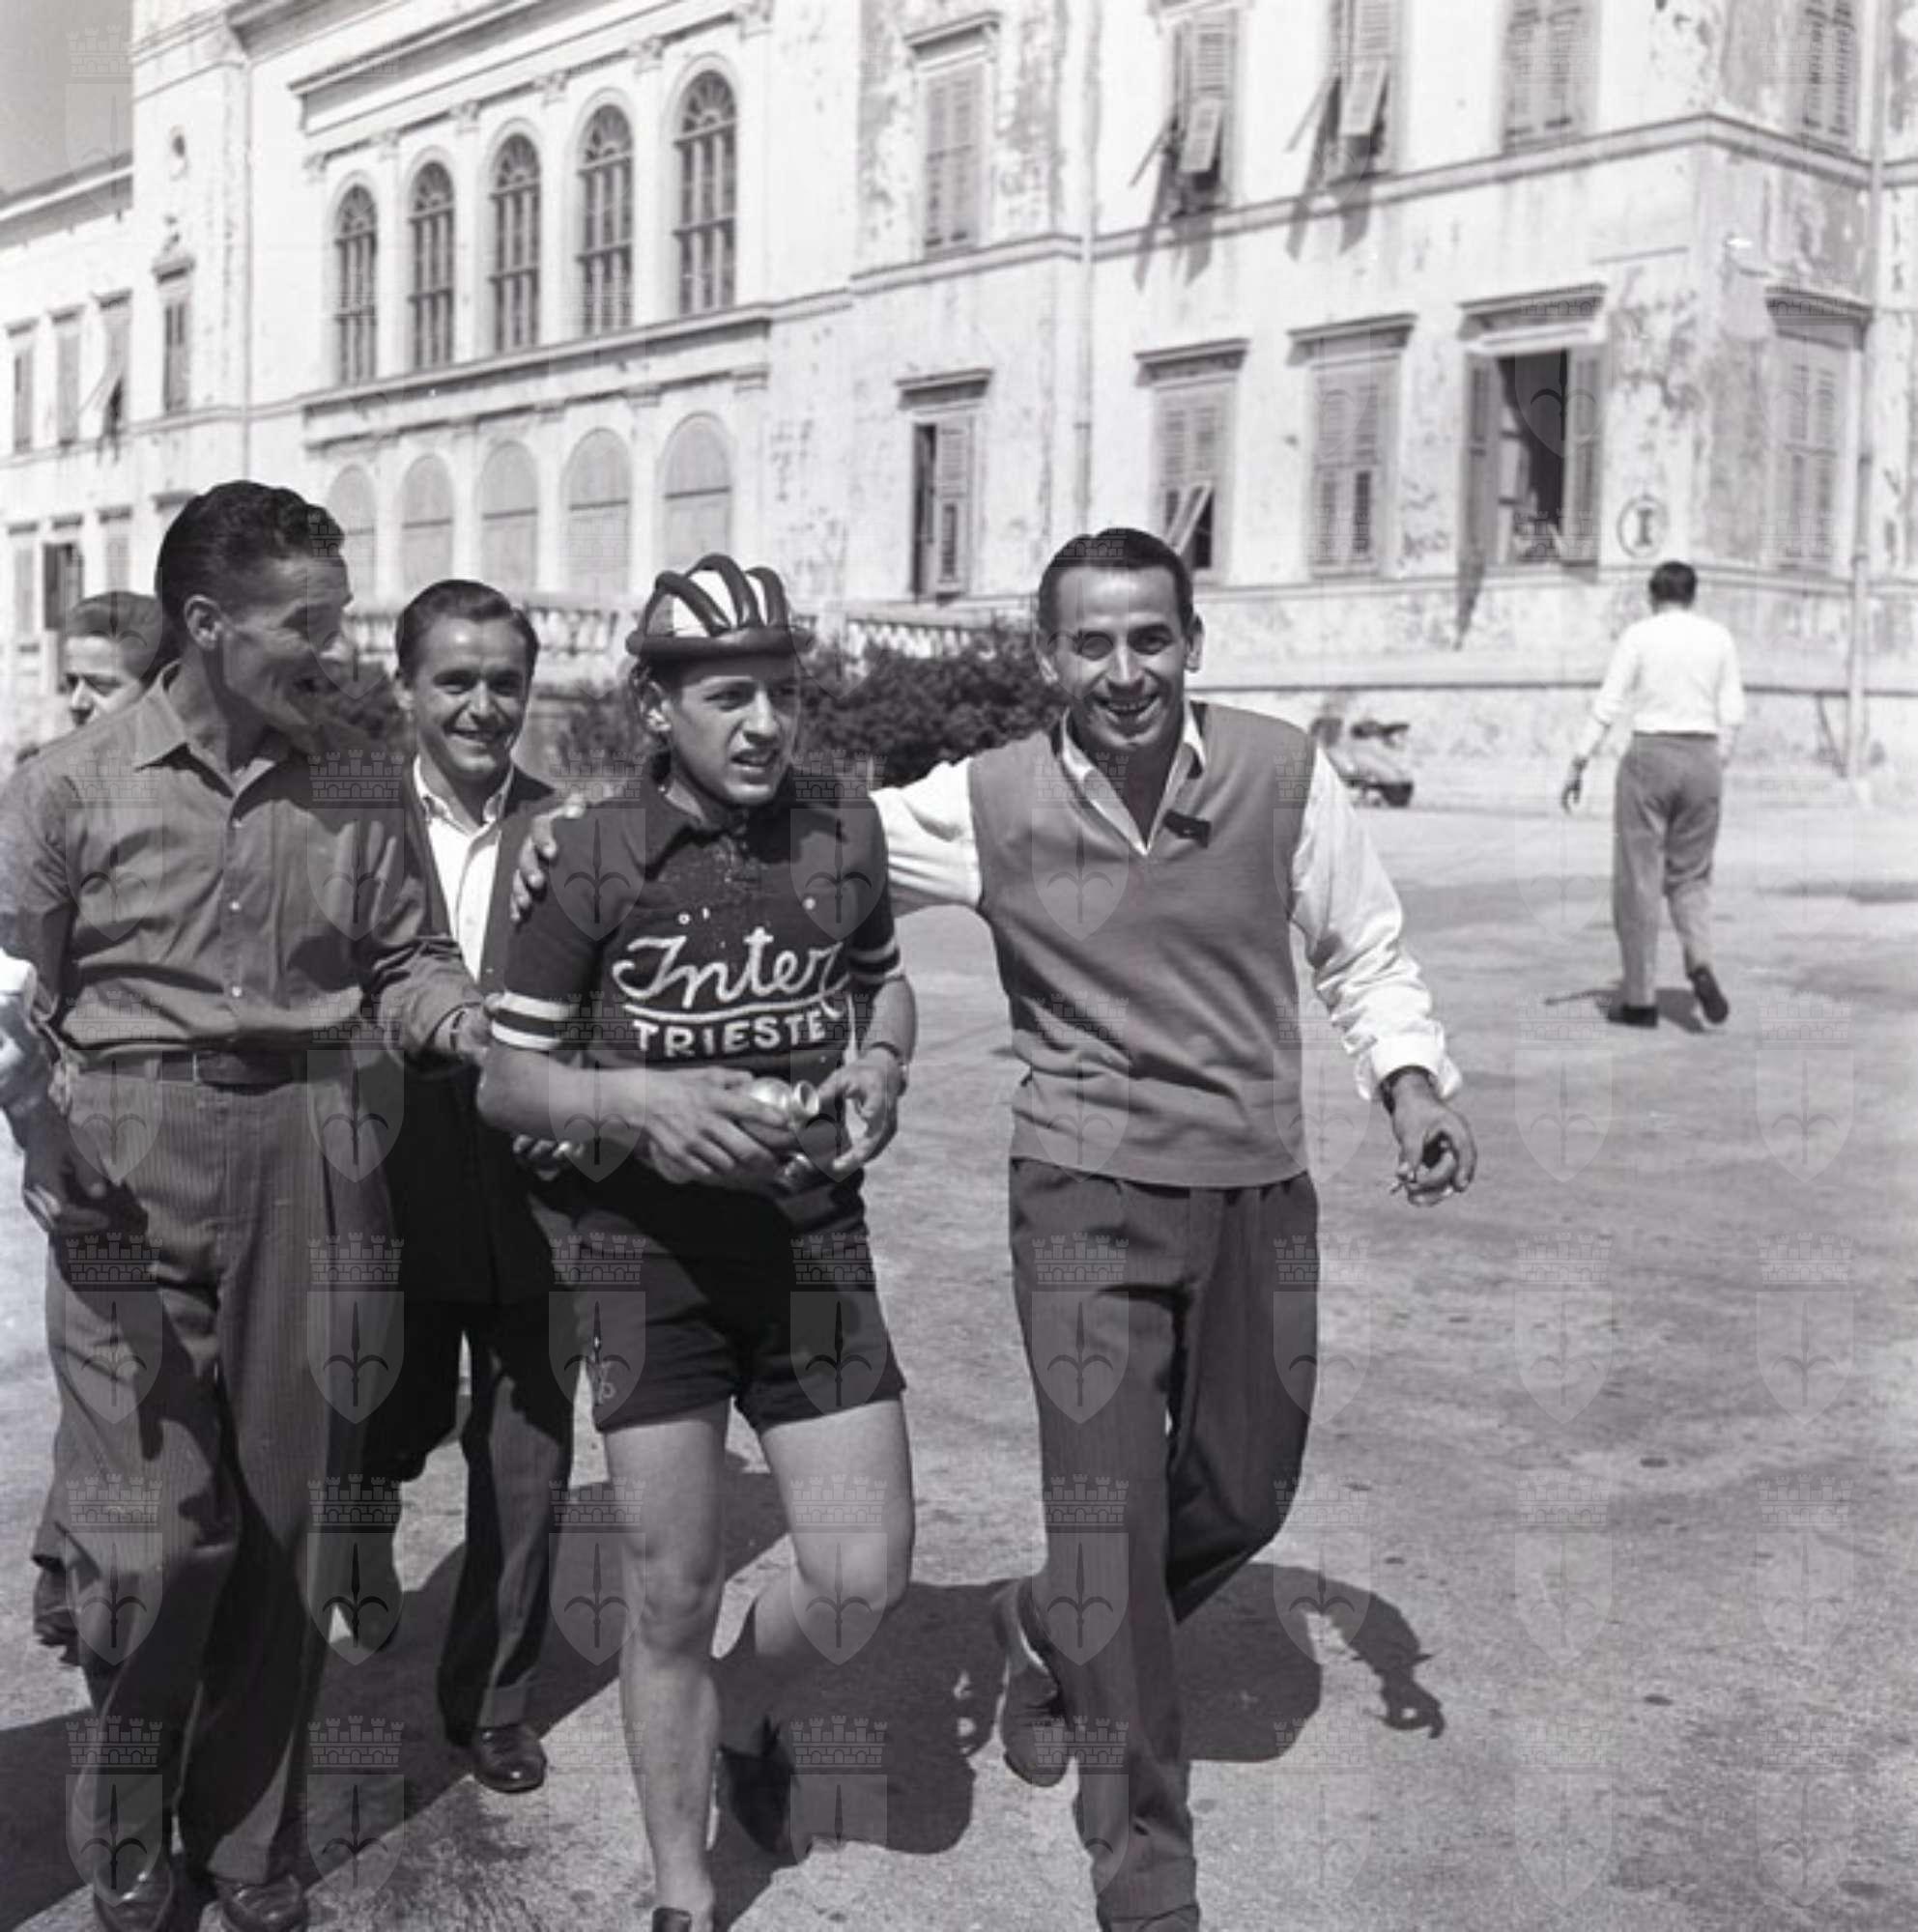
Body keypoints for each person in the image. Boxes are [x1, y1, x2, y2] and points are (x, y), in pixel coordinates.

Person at [514, 529, 1476, 1931]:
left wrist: (1410, 1083)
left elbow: (1362, 949)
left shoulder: (1282, 772)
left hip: (1253, 1185)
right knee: (1106, 1518)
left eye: (1149, 638)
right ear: (1047, 659)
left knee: (1245, 1492)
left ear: (1191, 643)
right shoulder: (985, 799)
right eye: (1091, 644)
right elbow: (750, 824)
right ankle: (1140, 1863)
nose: (1123, 670)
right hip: (1078, 1190)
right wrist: (576, 825)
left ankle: (1040, 1620)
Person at [0, 481, 487, 1932]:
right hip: (118, 1160)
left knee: (288, 1523)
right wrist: (38, 1129)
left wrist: (455, 1017)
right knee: (154, 1532)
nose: (332, 650)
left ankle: (245, 1836)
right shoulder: (67, 785)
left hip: (312, 1153)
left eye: (336, 620)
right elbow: (7, 983)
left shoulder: (357, 779)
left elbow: (409, 959)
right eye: (304, 624)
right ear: (206, 624)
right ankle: (124, 1802)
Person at [478, 554, 917, 1932]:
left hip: (811, 1241)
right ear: (655, 707)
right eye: (729, 694)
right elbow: (506, 1082)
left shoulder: (843, 825)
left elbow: (883, 984)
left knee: (858, 1575)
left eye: (781, 691)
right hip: (643, 1258)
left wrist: (882, 1065)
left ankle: (743, 1708)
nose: (764, 722)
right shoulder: (588, 852)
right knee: (668, 1594)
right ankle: (683, 1887)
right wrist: (637, 1104)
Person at [357, 579, 577, 1795]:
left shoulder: (574, 828)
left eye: (504, 681)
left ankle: (491, 1698)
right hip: (382, 1190)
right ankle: (366, 1511)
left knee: (528, 1459)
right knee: (383, 1421)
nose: (482, 705)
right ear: (406, 686)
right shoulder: (344, 821)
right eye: (455, 679)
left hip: (538, 1202)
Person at [14, 591, 171, 1653]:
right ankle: (74, 1573)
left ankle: (70, 1561)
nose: (75, 698)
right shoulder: (48, 794)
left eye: (98, 683)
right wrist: (39, 1127)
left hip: (186, 1115)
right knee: (106, 1357)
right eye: (70, 678)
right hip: (83, 1116)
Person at [1560, 558, 1743, 1028]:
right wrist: (1715, 760)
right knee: (1692, 876)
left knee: (1638, 878)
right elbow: (1733, 711)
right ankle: (1699, 959)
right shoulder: (1719, 638)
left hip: (1650, 755)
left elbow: (1608, 704)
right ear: (1692, 595)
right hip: (1702, 755)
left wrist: (1579, 761)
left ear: (1652, 595)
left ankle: (1640, 999)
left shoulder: (1639, 636)